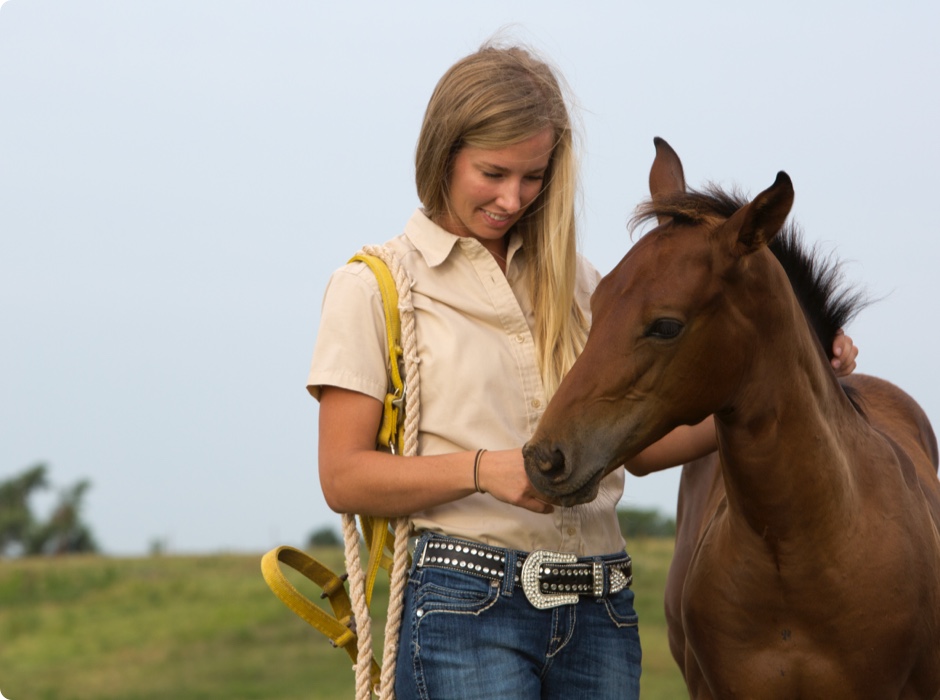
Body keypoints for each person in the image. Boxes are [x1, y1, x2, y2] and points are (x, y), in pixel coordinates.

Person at [307, 42, 858, 700]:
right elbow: (343, 476)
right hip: (464, 604)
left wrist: (794, 380)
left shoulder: (583, 288)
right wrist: (486, 470)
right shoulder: (375, 286)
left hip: (601, 608)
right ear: (443, 152)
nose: (513, 198)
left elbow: (645, 447)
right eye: (493, 172)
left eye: (534, 176)